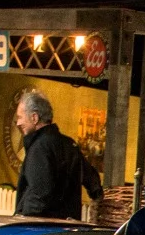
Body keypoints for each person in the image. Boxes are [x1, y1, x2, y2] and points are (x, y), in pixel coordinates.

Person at [14, 89, 103, 220]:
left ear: (34, 117)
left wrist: (23, 221)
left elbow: (39, 194)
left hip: (41, 230)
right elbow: (92, 181)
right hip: (66, 229)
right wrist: (96, 207)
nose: (18, 123)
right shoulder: (69, 144)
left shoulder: (39, 147)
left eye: (20, 117)